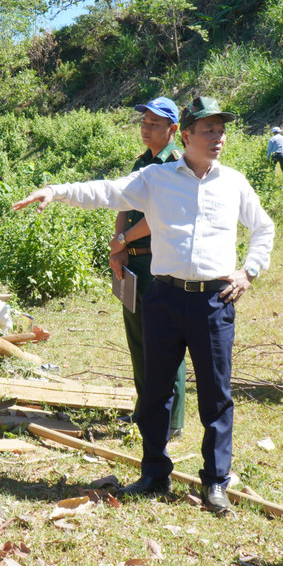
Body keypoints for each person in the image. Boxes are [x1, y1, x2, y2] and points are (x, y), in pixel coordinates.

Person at [13, 96, 275, 514]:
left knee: (216, 396)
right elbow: (106, 191)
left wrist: (249, 272)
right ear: (186, 135)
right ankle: (154, 471)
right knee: (154, 390)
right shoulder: (157, 178)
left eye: (221, 129)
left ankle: (215, 482)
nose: (218, 137)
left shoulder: (234, 183)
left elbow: (263, 227)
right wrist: (54, 192)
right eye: (208, 130)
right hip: (165, 296)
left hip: (214, 301)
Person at [109, 97, 187, 442]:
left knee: (167, 342)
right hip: (135, 261)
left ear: (173, 130)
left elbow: (162, 219)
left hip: (162, 262)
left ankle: (172, 420)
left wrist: (123, 238)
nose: (145, 128)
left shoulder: (178, 167)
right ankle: (146, 409)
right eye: (144, 122)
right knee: (138, 338)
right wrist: (118, 247)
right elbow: (124, 204)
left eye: (154, 124)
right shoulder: (141, 164)